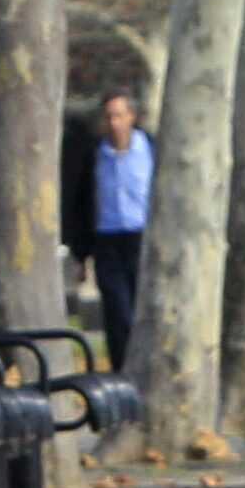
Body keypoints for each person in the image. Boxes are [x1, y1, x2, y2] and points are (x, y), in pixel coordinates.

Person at [91, 91, 154, 370]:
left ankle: (148, 365)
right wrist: (81, 253)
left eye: (119, 115)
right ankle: (122, 369)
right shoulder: (94, 154)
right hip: (108, 239)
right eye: (108, 117)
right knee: (118, 309)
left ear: (131, 116)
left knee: (144, 307)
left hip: (143, 237)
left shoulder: (150, 148)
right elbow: (79, 202)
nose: (114, 123)